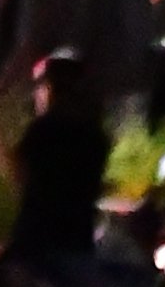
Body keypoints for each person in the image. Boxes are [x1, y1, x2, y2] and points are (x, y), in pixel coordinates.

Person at [7, 46, 111, 273]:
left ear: (52, 89)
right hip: (77, 245)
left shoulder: (43, 131)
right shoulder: (95, 135)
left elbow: (19, 176)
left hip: (36, 246)